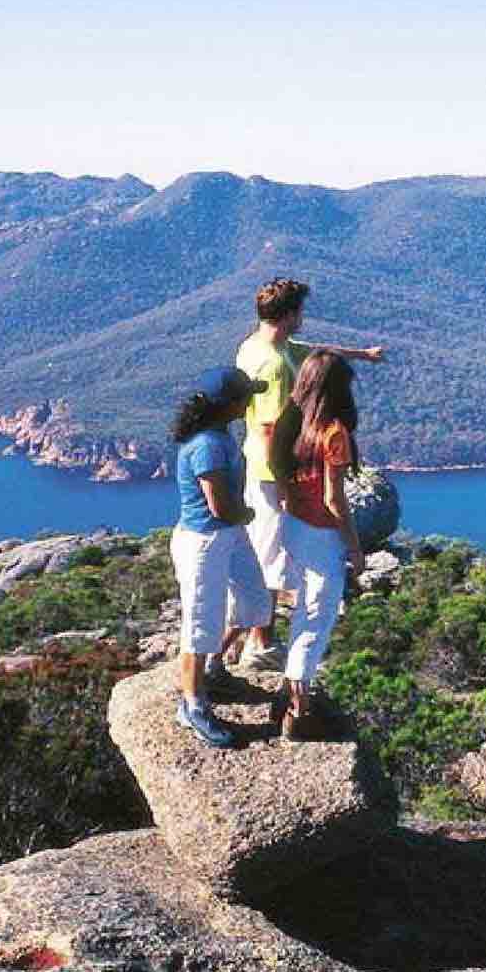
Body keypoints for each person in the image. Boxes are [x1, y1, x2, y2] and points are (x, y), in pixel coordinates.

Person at [226, 277, 385, 665]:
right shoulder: (276, 366)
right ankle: (257, 646)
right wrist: (285, 483)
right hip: (270, 473)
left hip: (263, 466)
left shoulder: (256, 344)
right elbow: (271, 428)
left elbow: (314, 351)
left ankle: (255, 640)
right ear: (290, 314)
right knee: (270, 557)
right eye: (300, 311)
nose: (304, 318)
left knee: (273, 553)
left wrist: (361, 354)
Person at [167, 366, 268, 748]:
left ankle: (213, 665)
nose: (250, 402)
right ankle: (192, 706)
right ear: (227, 405)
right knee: (199, 625)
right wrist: (249, 514)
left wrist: (240, 518)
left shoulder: (219, 435)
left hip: (228, 535)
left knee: (256, 601)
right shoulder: (207, 445)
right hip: (204, 542)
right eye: (246, 397)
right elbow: (220, 506)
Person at [273, 350, 368, 739]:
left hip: (293, 525)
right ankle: (298, 709)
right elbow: (334, 499)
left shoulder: (291, 422)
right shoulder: (333, 433)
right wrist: (355, 546)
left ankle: (292, 691)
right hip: (320, 534)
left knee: (303, 611)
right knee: (318, 617)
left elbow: (279, 473)